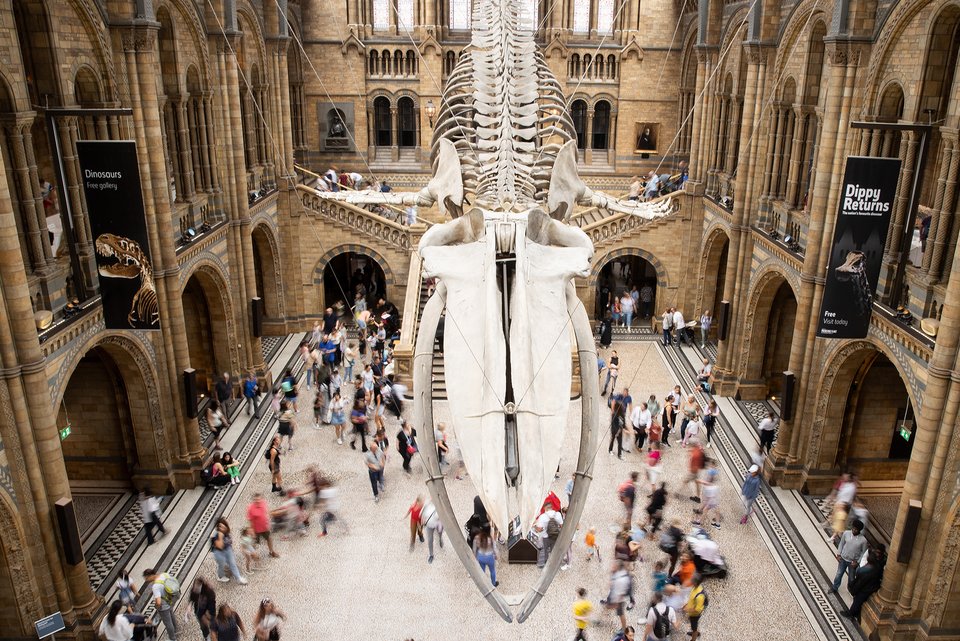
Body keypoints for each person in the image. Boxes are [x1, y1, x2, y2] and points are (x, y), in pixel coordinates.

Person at [844, 545, 886, 623]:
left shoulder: (867, 572)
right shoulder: (876, 568)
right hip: (869, 587)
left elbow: (860, 583)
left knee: (857, 601)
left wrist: (854, 590)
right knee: (858, 601)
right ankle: (855, 614)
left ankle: (851, 614)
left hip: (865, 590)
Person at [143, 568, 179, 641]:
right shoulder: (164, 574)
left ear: (149, 576)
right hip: (171, 600)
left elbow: (158, 602)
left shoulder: (156, 586)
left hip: (164, 606)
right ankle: (176, 630)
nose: (146, 580)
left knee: (167, 623)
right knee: (171, 615)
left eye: (146, 578)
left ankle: (172, 638)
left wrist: (157, 606)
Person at [832, 519, 867, 594]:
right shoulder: (846, 533)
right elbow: (841, 544)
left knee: (851, 578)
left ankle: (851, 589)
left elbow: (863, 553)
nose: (854, 530)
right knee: (839, 574)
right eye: (853, 528)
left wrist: (857, 562)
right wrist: (838, 554)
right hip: (843, 559)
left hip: (852, 563)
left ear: (859, 530)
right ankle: (835, 587)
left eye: (856, 529)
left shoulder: (863, 540)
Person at [210, 517, 247, 584]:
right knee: (221, 564)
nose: (223, 528)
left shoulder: (226, 532)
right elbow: (220, 546)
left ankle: (238, 578)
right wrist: (220, 537)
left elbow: (229, 541)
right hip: (219, 552)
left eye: (224, 526)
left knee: (232, 563)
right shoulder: (216, 535)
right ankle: (220, 576)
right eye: (221, 527)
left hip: (227, 549)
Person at [246, 494, 279, 558]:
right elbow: (250, 520)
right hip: (256, 530)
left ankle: (271, 552)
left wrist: (268, 522)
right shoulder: (250, 508)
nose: (258, 501)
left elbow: (266, 512)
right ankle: (252, 553)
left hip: (265, 528)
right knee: (255, 542)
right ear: (253, 500)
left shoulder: (263, 503)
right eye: (256, 500)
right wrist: (252, 531)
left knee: (269, 539)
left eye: (259, 499)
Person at [602, 560, 632, 632]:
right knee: (608, 606)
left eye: (614, 565)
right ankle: (603, 616)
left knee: (621, 613)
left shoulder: (621, 579)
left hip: (618, 598)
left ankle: (624, 629)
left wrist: (616, 603)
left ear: (618, 567)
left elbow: (621, 592)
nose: (612, 566)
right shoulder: (620, 573)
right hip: (614, 595)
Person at [534, 504, 563, 568]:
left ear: (545, 508)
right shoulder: (558, 514)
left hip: (545, 537)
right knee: (554, 550)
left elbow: (539, 529)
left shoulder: (542, 517)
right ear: (552, 507)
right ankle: (555, 563)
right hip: (555, 535)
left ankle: (545, 563)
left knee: (545, 550)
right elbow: (561, 526)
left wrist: (535, 526)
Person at [684, 574, 708, 641]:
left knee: (694, 626)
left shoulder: (700, 596)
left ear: (696, 583)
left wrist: (688, 609)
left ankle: (694, 638)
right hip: (691, 613)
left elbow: (698, 610)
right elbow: (692, 598)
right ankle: (696, 631)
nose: (691, 581)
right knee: (694, 625)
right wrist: (687, 604)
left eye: (693, 581)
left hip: (694, 615)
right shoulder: (696, 587)